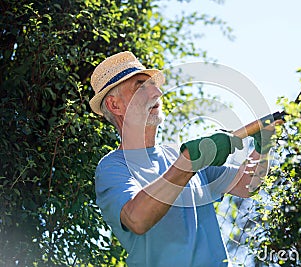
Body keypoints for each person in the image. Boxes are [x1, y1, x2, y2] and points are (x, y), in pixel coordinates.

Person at [89, 51, 278, 267]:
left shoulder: (175, 156)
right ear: (115, 106)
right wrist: (188, 164)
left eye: (154, 85)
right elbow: (137, 220)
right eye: (141, 86)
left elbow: (247, 184)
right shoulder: (113, 167)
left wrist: (264, 146)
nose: (157, 92)